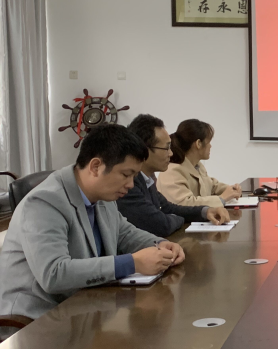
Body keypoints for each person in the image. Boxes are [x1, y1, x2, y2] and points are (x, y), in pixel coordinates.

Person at [0, 125, 185, 327]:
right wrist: (132, 263)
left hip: (82, 308)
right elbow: (53, 274)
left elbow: (124, 233)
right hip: (35, 322)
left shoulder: (102, 195)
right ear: (96, 166)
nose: (131, 184)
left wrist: (160, 244)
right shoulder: (44, 202)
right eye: (126, 174)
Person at [118, 114, 231, 237]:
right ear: (145, 149)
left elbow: (169, 208)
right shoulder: (129, 185)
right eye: (166, 148)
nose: (171, 153)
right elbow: (161, 225)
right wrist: (177, 218)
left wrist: (206, 211)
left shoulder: (147, 180)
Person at [156, 119, 242, 207]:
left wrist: (231, 190)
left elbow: (211, 185)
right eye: (209, 142)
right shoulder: (172, 172)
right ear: (198, 143)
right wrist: (222, 198)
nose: (210, 146)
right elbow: (185, 203)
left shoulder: (198, 166)